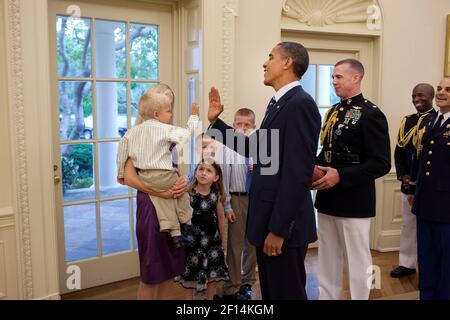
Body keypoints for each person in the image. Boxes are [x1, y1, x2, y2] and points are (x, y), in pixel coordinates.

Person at [207, 41, 321, 300]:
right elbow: (256, 149)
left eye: (271, 57)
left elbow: (296, 174)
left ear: (287, 62)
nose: (265, 63)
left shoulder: (300, 104)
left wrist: (279, 230)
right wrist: (216, 122)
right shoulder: (278, 103)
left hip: (283, 228)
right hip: (268, 219)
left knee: (287, 293)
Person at [312, 59, 391, 300]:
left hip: (355, 200)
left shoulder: (371, 114)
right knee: (327, 256)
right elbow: (327, 150)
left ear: (356, 78)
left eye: (339, 77)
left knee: (359, 259)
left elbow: (381, 163)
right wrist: (313, 167)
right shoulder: (334, 112)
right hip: (327, 197)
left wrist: (342, 175)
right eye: (333, 77)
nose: (333, 81)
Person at [120, 83, 189, 300]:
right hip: (151, 207)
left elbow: (179, 168)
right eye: (163, 100)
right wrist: (161, 192)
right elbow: (128, 177)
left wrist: (183, 182)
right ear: (153, 108)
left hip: (173, 204)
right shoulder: (136, 138)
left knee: (169, 271)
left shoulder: (168, 137)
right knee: (151, 273)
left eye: (171, 102)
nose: (169, 105)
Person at [117, 90, 199, 247]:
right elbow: (188, 134)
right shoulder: (164, 129)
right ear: (156, 114)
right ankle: (187, 223)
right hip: (165, 176)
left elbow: (122, 153)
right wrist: (194, 115)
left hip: (147, 179)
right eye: (168, 111)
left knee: (164, 203)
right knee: (181, 196)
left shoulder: (130, 133)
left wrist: (120, 173)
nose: (170, 114)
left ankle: (175, 233)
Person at [409, 77, 450, 300]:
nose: (442, 93)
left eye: (448, 90)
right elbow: (422, 160)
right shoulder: (430, 121)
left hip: (446, 207)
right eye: (440, 88)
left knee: (446, 262)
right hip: (425, 203)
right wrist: (414, 191)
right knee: (426, 257)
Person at [390, 84, 436, 278]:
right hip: (409, 184)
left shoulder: (437, 121)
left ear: (431, 97)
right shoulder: (407, 121)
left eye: (421, 95)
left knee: (430, 226)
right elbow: (400, 151)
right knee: (408, 224)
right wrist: (403, 174)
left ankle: (429, 267)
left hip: (429, 185)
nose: (416, 99)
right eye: (413, 95)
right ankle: (407, 263)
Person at [176, 161, 229, 300]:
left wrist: (224, 242)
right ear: (195, 172)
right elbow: (181, 218)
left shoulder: (216, 195)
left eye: (208, 170)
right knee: (191, 276)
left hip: (212, 241)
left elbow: (221, 219)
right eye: (201, 169)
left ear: (216, 177)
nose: (203, 172)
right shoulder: (189, 194)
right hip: (192, 242)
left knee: (212, 274)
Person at [220, 108, 258, 300]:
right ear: (233, 125)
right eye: (238, 124)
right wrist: (227, 206)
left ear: (254, 127)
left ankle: (247, 282)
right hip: (236, 197)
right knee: (235, 245)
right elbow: (224, 179)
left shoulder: (258, 146)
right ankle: (232, 286)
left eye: (246, 125)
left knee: (252, 245)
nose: (241, 128)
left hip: (256, 198)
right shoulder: (227, 148)